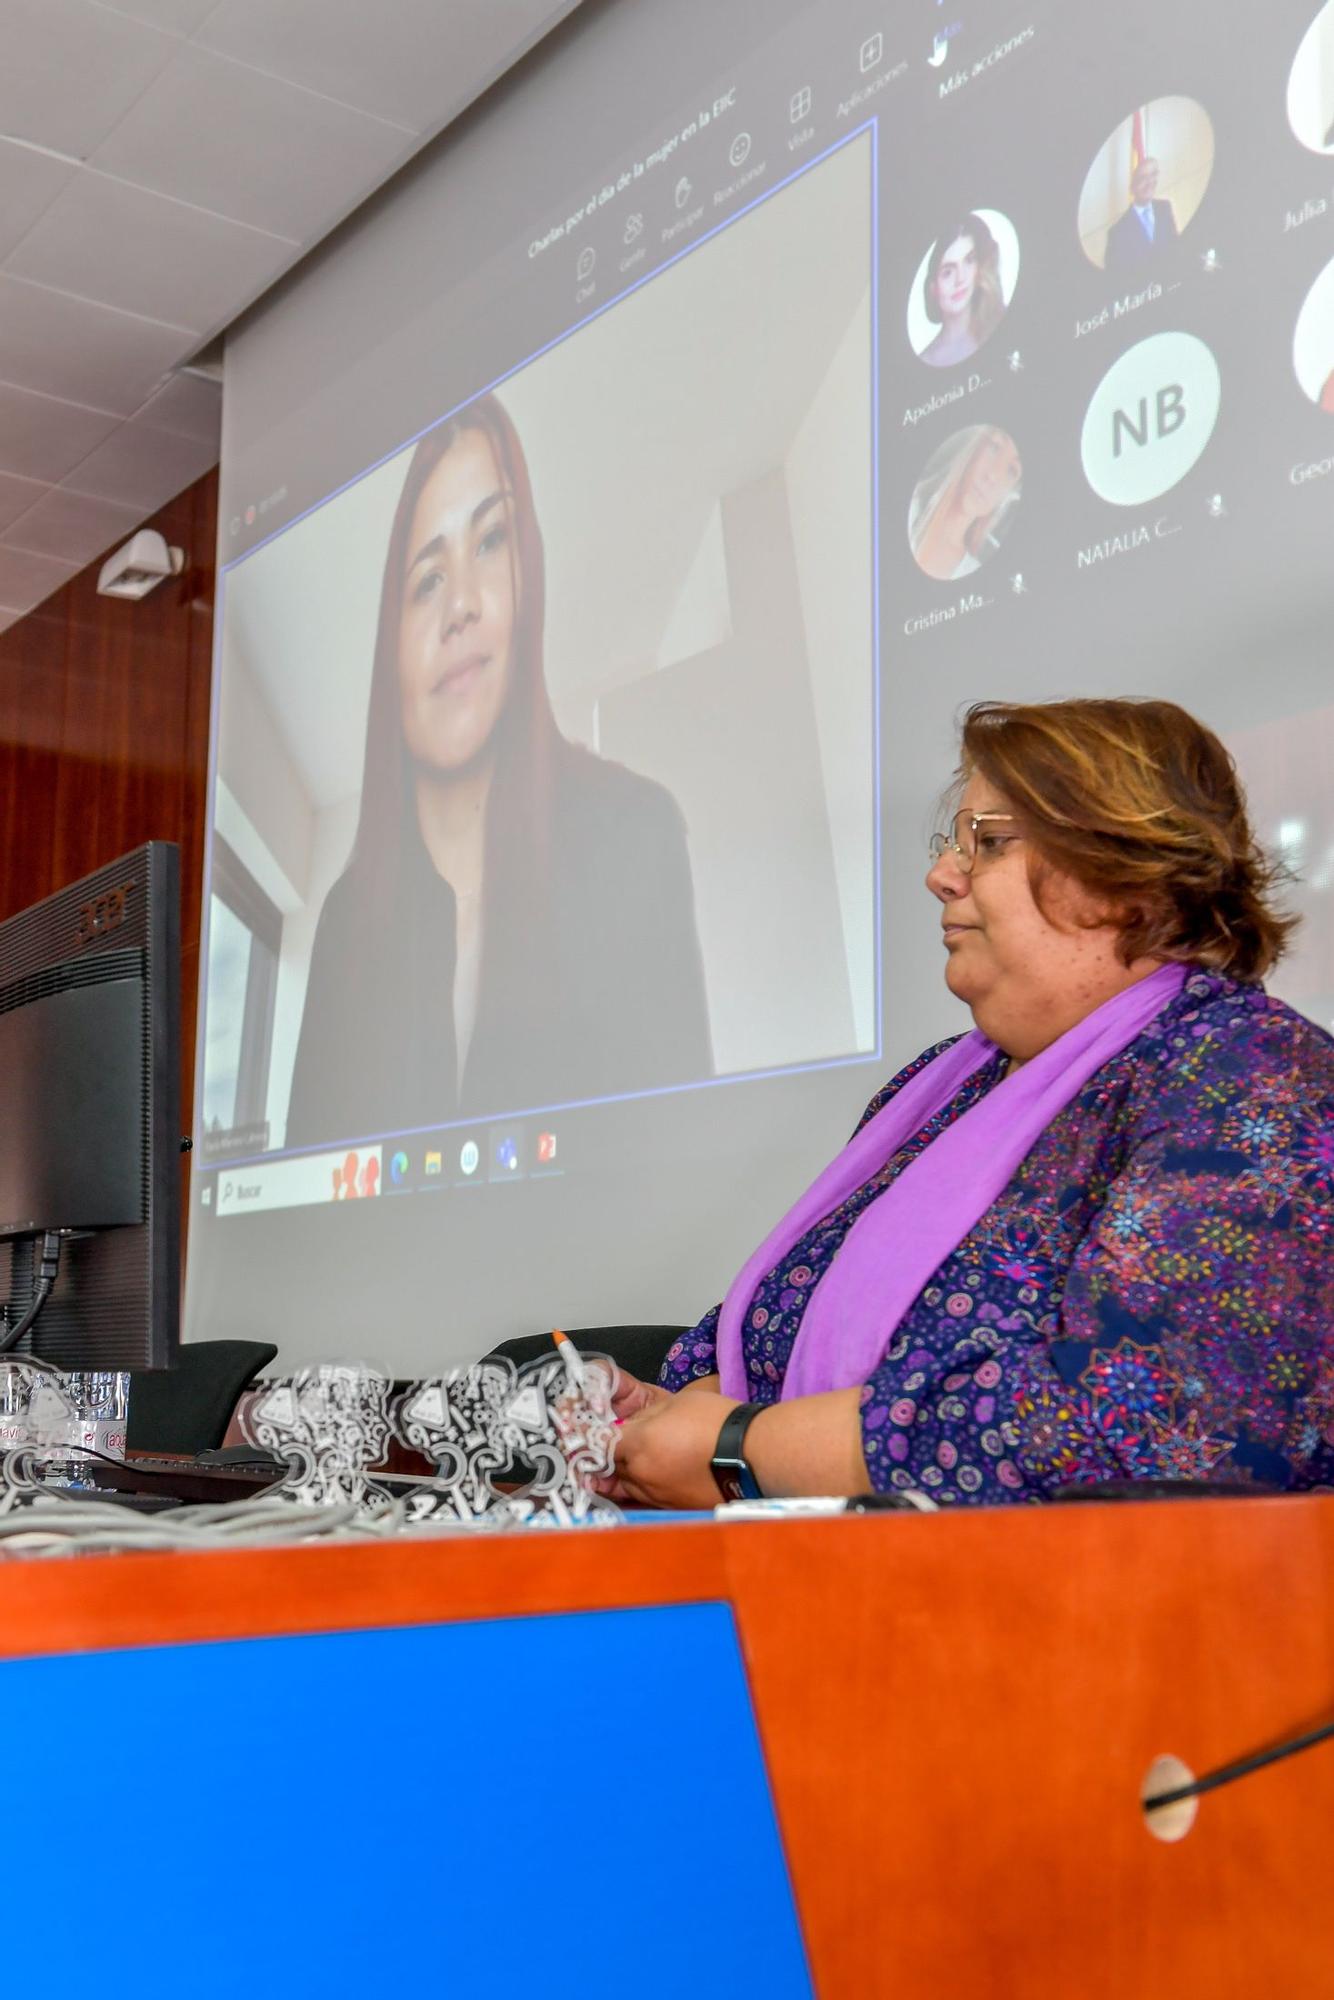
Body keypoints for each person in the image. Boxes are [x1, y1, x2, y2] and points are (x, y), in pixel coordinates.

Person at [595, 698, 1334, 1510]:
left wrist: (741, 1449)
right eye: (955, 843)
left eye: (988, 841)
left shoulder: (1250, 1074)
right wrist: (670, 1413)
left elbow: (1154, 1421)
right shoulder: (941, 1088)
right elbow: (781, 1332)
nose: (941, 873)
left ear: (1126, 872)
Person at [286, 395, 713, 1148]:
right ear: (392, 647)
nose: (463, 605)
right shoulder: (349, 920)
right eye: (425, 581)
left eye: (491, 541)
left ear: (529, 576)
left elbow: (675, 1161)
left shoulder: (633, 833)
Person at [908, 425, 1021, 581]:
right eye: (995, 447)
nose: (993, 475)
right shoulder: (908, 510)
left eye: (1011, 470)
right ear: (974, 448)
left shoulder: (976, 574)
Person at [917, 214, 1007, 368]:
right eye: (948, 272)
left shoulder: (1002, 323)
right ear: (933, 289)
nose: (960, 278)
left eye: (969, 261)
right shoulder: (926, 361)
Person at [1104, 157, 1180, 274]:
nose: (1149, 182)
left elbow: (1176, 250)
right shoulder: (1117, 233)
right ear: (1131, 187)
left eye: (1153, 175)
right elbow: (1116, 279)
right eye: (1142, 178)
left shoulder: (1165, 208)